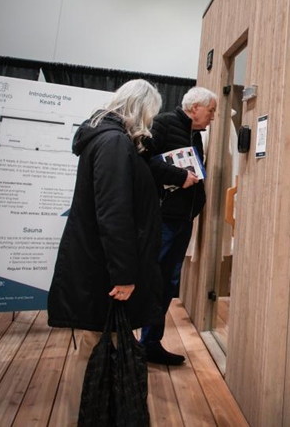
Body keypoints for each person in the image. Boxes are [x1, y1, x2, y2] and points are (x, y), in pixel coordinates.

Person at [47, 79, 164, 425]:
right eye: (150, 115)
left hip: (100, 268)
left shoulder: (110, 140)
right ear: (140, 110)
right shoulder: (113, 144)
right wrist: (125, 275)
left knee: (96, 349)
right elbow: (113, 214)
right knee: (95, 353)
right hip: (105, 273)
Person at [142, 85, 218, 365]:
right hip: (162, 220)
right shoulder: (161, 124)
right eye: (211, 111)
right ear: (195, 107)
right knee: (150, 280)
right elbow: (142, 162)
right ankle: (127, 341)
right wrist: (177, 175)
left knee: (167, 283)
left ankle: (150, 343)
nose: (212, 117)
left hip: (182, 220)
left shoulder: (195, 135)